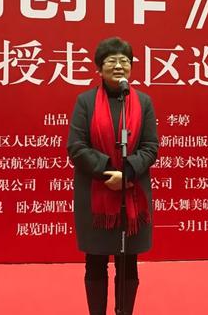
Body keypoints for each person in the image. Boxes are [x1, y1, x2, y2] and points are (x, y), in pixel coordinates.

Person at [67, 37, 159, 315]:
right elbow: (76, 147)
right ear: (99, 68)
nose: (119, 66)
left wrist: (127, 173)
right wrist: (109, 171)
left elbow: (150, 147)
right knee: (95, 261)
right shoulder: (85, 102)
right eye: (111, 60)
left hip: (132, 192)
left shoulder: (143, 102)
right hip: (96, 193)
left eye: (124, 61)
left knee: (128, 262)